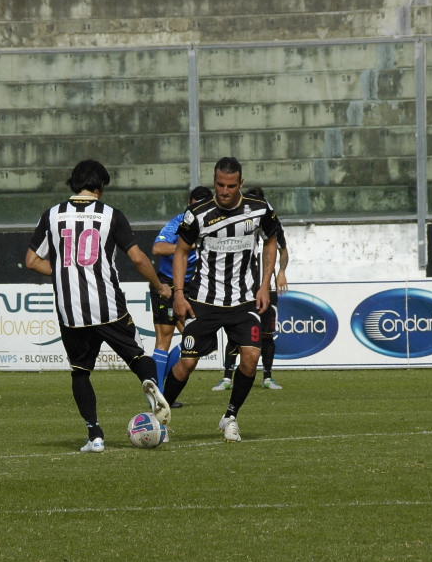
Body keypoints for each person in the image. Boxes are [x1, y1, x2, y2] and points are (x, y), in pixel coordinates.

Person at [26, 159, 172, 452]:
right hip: (106, 303)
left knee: (80, 371)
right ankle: (151, 392)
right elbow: (139, 258)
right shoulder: (110, 216)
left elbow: (31, 260)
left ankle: (95, 435)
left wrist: (64, 272)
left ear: (73, 184)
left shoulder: (52, 215)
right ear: (100, 188)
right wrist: (160, 286)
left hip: (70, 308)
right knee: (138, 356)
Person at [160, 157, 282, 442]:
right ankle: (160, 418)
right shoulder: (198, 214)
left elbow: (271, 240)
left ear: (241, 183)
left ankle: (230, 417)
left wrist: (265, 284)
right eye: (219, 185)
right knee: (186, 363)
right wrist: (179, 294)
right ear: (214, 181)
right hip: (204, 301)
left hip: (244, 300)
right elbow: (180, 251)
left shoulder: (260, 209)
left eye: (230, 186)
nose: (224, 191)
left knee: (251, 358)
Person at [215, 185, 289, 391]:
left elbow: (283, 249)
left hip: (266, 286)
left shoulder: (269, 221)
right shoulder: (238, 222)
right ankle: (227, 377)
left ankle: (267, 377)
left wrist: (281, 271)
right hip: (243, 287)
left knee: (266, 333)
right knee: (235, 331)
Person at [151, 184, 214, 395]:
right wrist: (191, 245)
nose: (197, 212)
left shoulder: (215, 225)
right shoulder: (179, 222)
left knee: (198, 342)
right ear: (189, 205)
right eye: (194, 207)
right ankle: (159, 393)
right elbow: (158, 248)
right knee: (165, 337)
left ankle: (164, 385)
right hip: (168, 284)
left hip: (195, 288)